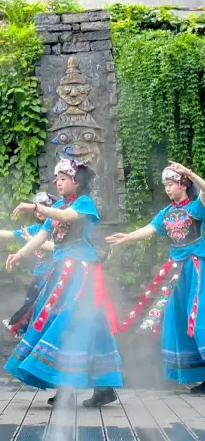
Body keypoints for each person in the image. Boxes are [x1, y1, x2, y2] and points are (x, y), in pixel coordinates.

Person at [5, 157, 123, 409]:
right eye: (56, 179)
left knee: (68, 322)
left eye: (62, 179)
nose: (57, 183)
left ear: (76, 181)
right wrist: (20, 254)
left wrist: (35, 207)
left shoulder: (84, 203)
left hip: (80, 273)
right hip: (60, 273)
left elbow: (66, 216)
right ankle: (100, 387)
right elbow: (43, 235)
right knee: (79, 325)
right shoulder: (57, 206)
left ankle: (69, 387)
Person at [106, 162, 205, 393]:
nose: (167, 189)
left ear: (183, 184)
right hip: (176, 271)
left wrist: (189, 173)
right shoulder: (167, 213)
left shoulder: (196, 207)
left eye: (171, 184)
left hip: (197, 267)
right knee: (176, 317)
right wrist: (128, 237)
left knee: (198, 316)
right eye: (165, 185)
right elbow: (150, 229)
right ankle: (198, 374)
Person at [0, 192, 55, 336]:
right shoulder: (36, 229)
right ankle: (28, 331)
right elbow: (9, 234)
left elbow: (54, 246)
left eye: (44, 206)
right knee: (31, 303)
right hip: (39, 273)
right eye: (38, 206)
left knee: (45, 304)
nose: (40, 210)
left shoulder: (57, 228)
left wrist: (31, 239)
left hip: (54, 272)